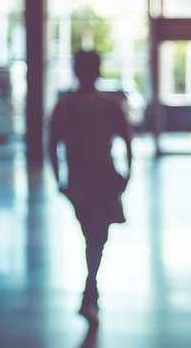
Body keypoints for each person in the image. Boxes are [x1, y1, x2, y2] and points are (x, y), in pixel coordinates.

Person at [48, 49, 132, 326]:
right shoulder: (110, 106)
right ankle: (90, 290)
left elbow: (52, 145)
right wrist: (127, 174)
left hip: (81, 182)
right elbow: (127, 142)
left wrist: (60, 179)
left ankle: (90, 291)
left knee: (92, 235)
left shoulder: (65, 106)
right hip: (103, 179)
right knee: (97, 237)